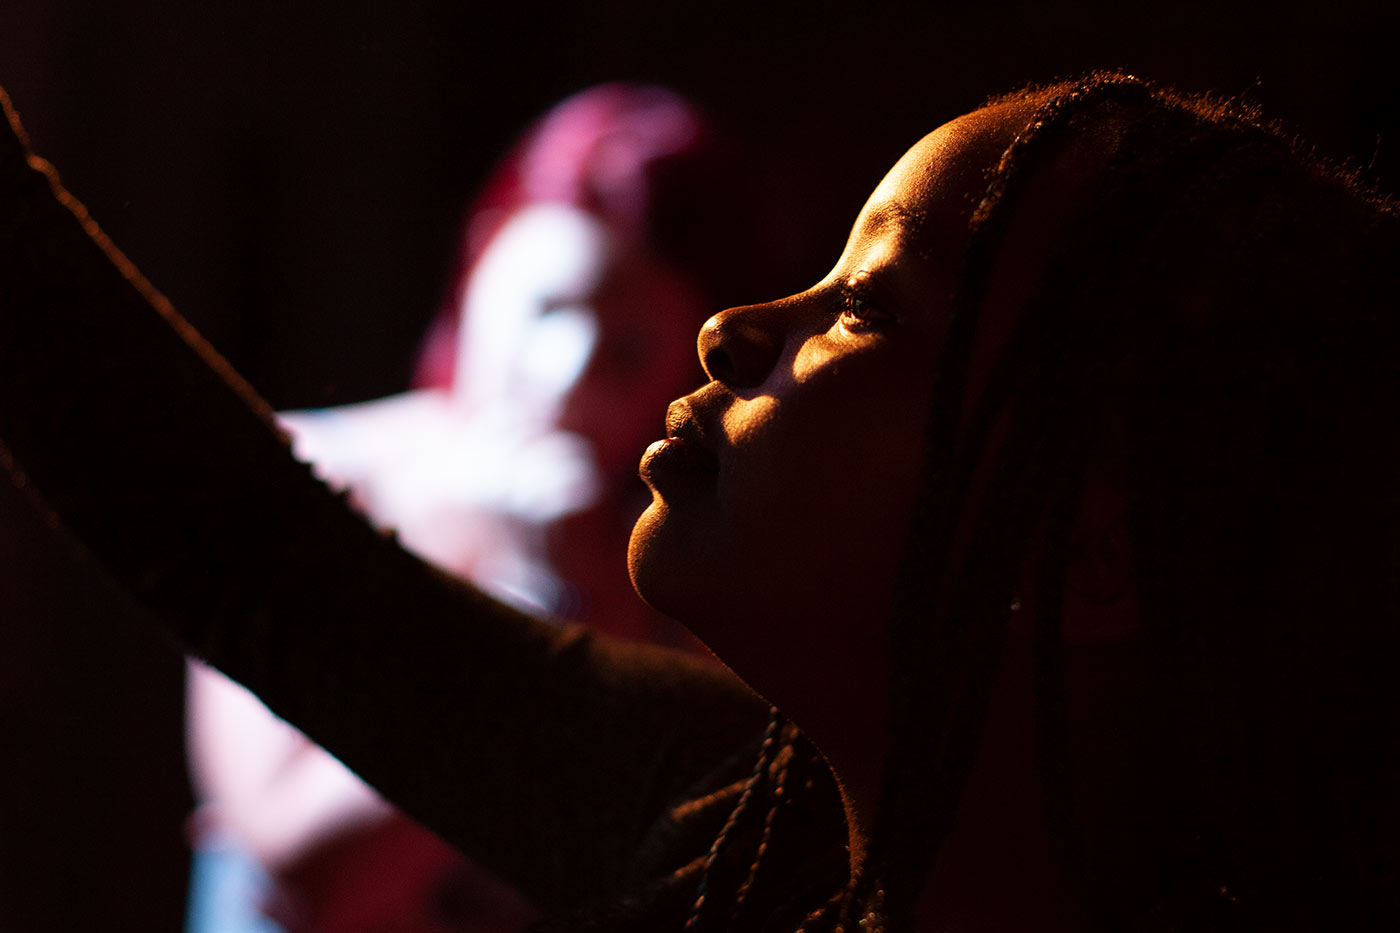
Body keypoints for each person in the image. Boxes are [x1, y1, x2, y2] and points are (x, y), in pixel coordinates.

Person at [0, 71, 1395, 932]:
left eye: (866, 307)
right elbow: (256, 559)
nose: (732, 331)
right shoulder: (736, 823)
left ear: (1086, 554)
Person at [185, 83, 743, 932]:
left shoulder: (681, 575)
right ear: (481, 262)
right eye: (547, 308)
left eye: (627, 349)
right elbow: (314, 875)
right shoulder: (306, 473)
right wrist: (528, 600)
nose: (567, 374)